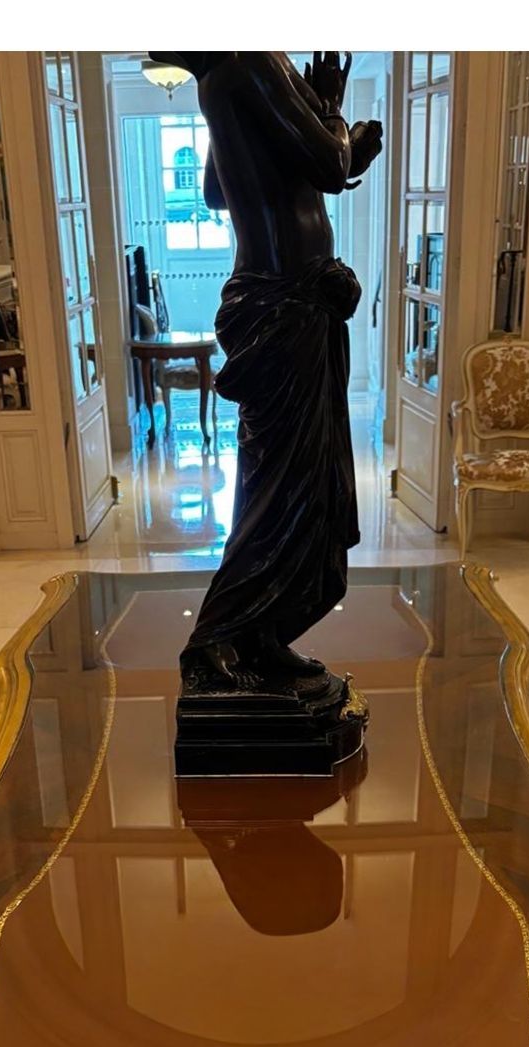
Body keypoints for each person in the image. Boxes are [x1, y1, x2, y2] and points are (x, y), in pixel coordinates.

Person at [152, 53, 383, 696]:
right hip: (286, 303)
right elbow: (333, 165)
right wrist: (333, 113)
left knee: (282, 482)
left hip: (279, 298)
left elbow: (216, 191)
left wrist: (299, 117)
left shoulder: (224, 75)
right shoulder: (248, 56)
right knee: (287, 486)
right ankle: (218, 639)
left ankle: (261, 637)